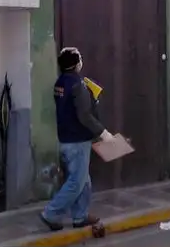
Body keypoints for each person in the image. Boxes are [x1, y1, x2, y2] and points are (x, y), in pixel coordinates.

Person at [40, 47, 116, 231]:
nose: (82, 61)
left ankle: (80, 216)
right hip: (77, 140)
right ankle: (51, 213)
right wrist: (103, 133)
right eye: (80, 58)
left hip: (66, 138)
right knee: (76, 182)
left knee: (84, 180)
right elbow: (84, 115)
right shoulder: (77, 85)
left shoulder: (60, 83)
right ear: (76, 64)